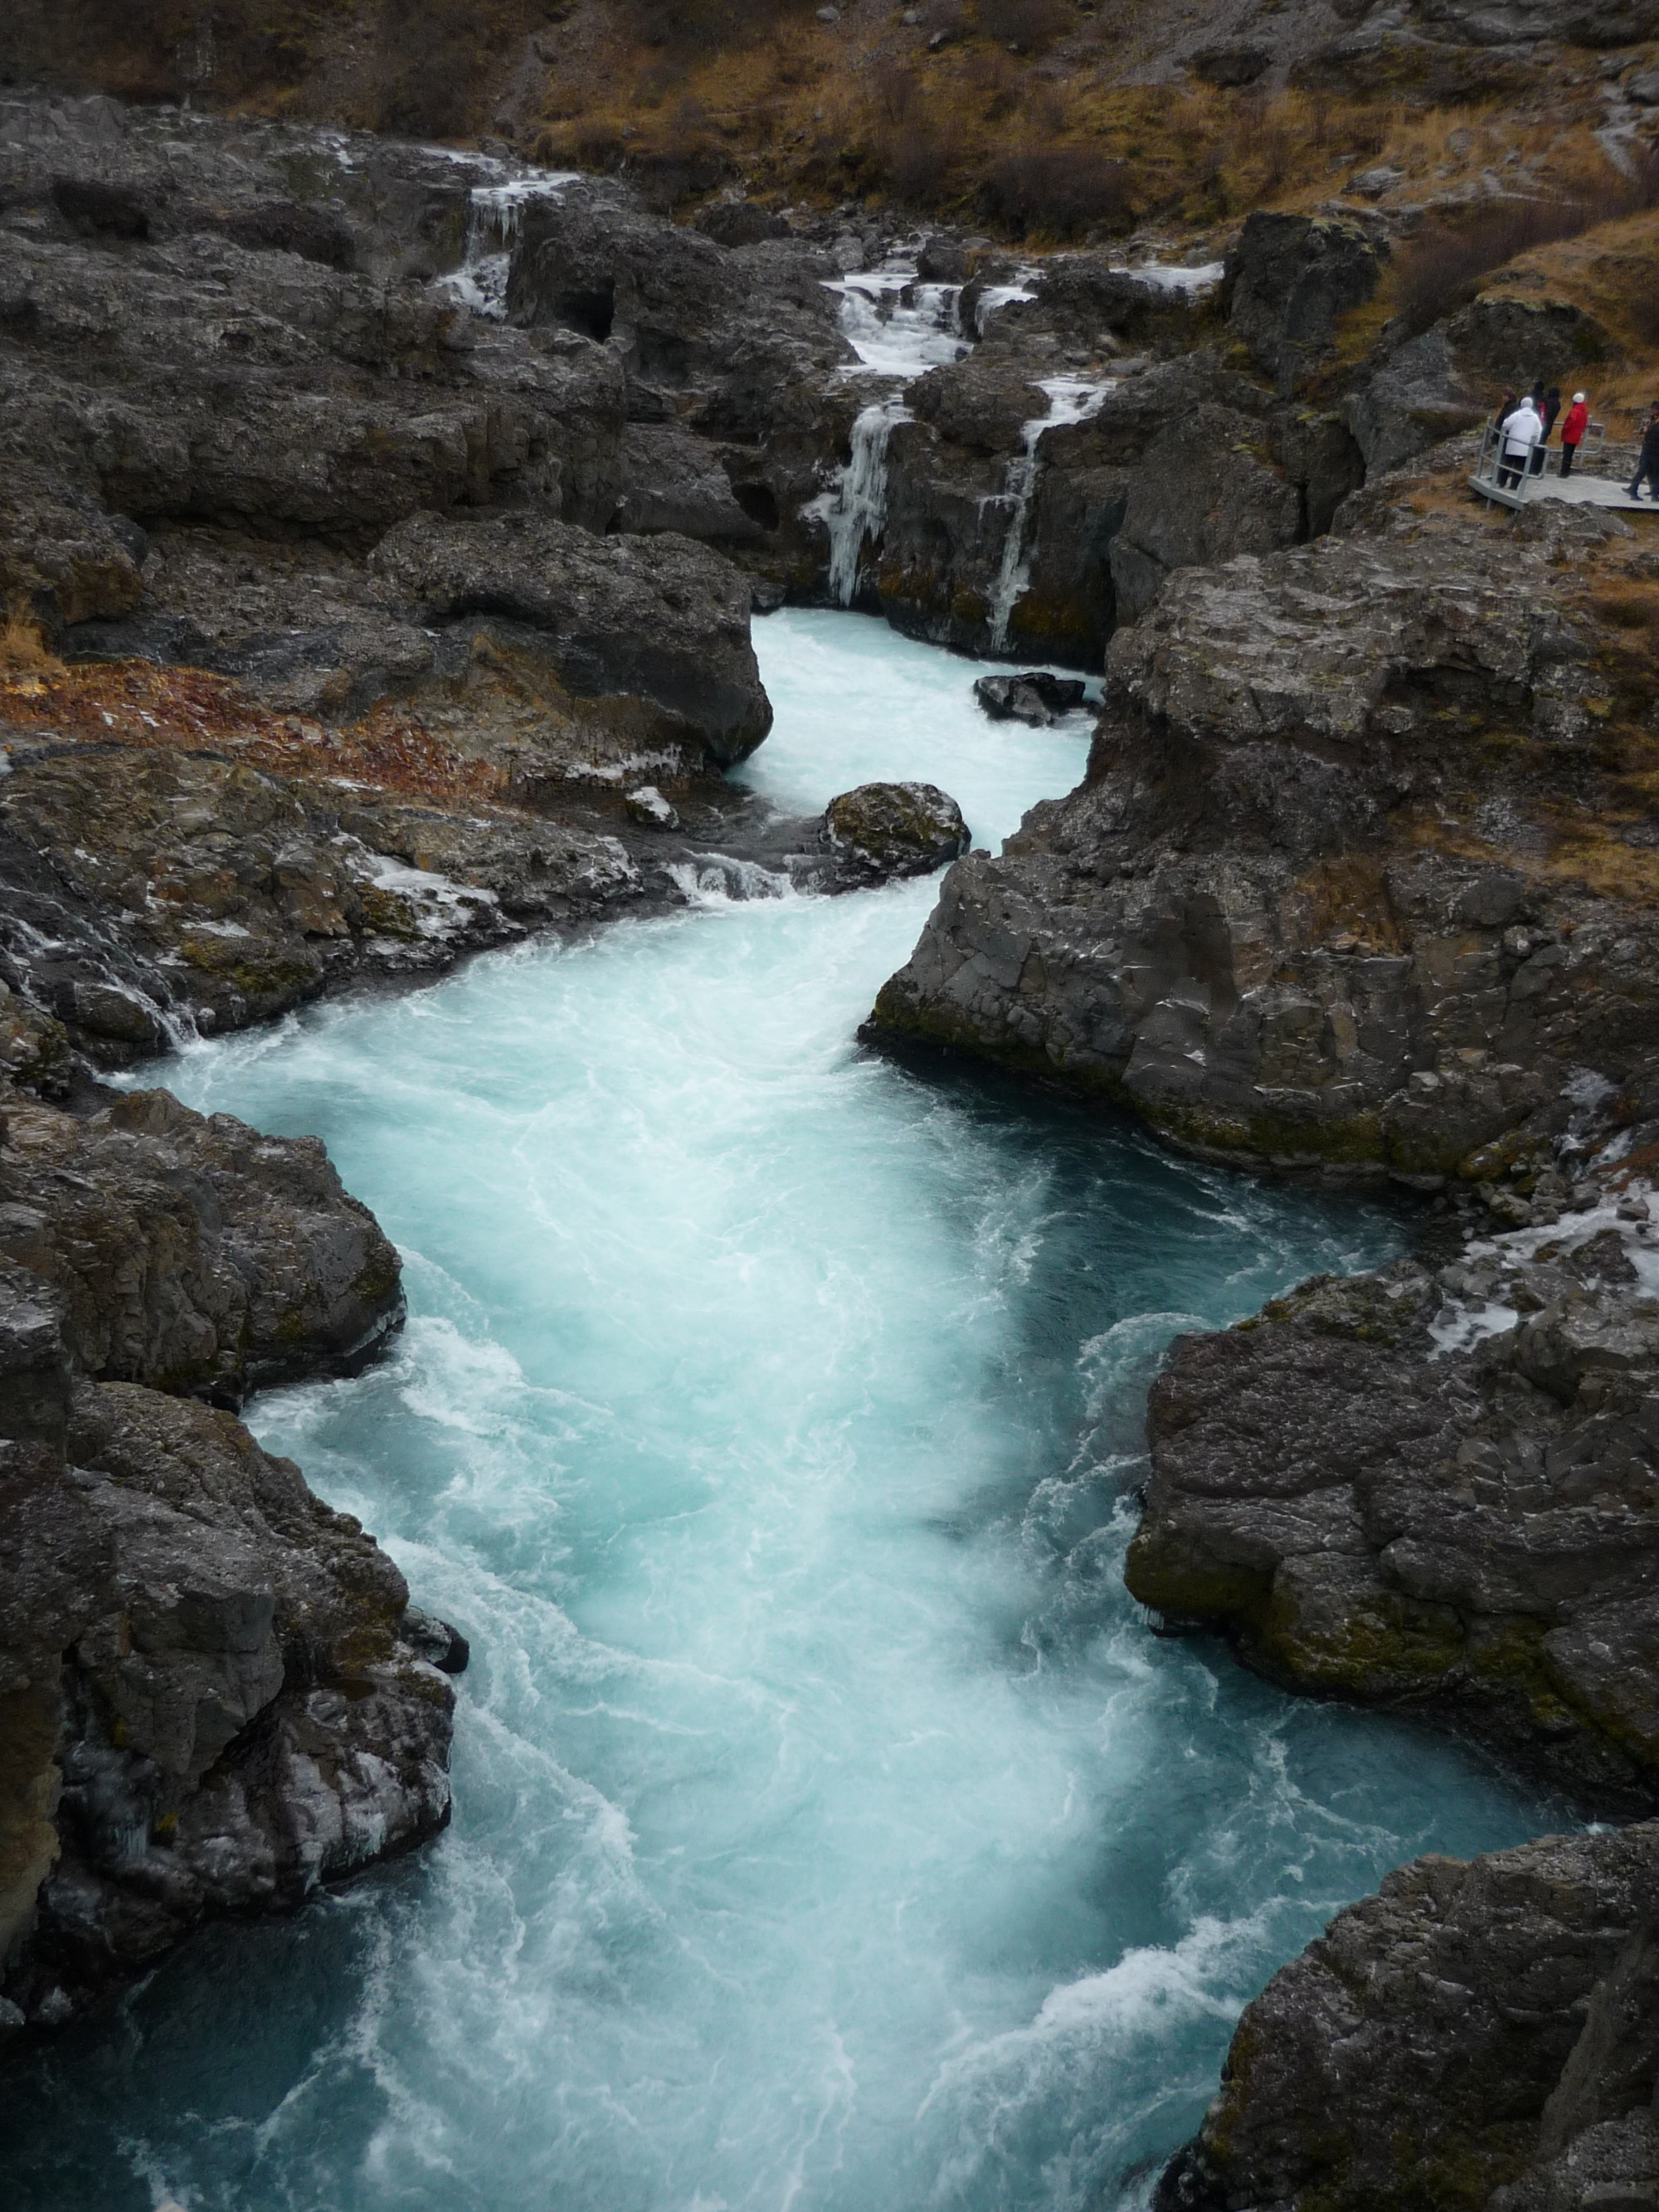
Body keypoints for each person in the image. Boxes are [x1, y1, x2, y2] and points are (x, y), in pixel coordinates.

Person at [1499, 392, 1544, 489]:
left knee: (1508, 464)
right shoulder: (1535, 417)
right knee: (1520, 467)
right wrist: (1535, 442)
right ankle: (1514, 486)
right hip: (1526, 446)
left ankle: (1502, 483)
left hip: (1513, 444)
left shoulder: (1517, 415)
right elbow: (1538, 431)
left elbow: (1505, 425)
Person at [1629, 401, 1659, 502]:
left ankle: (1655, 495)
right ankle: (1633, 491)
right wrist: (1644, 430)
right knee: (1642, 472)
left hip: (1655, 451)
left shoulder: (1655, 421)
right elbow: (1649, 431)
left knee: (1655, 474)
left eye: (1654, 409)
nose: (1652, 411)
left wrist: (1647, 430)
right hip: (1649, 451)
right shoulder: (1654, 420)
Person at [1559, 391, 1589, 476]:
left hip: (1569, 434)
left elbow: (1570, 423)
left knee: (1566, 454)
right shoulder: (1584, 411)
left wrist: (1564, 429)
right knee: (1570, 454)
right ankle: (1566, 471)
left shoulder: (1574, 411)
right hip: (1577, 435)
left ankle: (1563, 472)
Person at [1535, 384, 1562, 473]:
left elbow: (1544, 413)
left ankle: (1534, 467)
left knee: (1537, 447)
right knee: (1542, 446)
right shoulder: (1558, 403)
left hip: (1542, 426)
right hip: (1548, 427)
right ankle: (1538, 468)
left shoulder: (1548, 402)